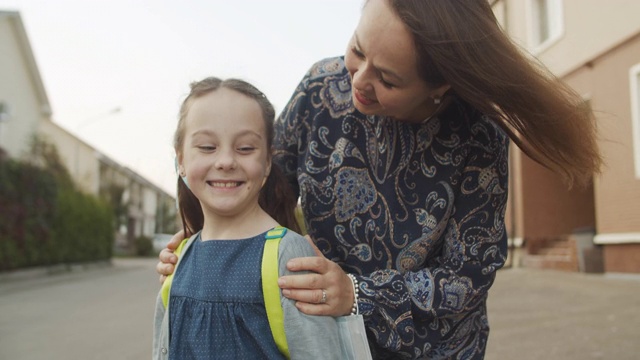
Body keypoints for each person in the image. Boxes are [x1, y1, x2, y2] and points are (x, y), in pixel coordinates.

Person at [158, 1, 602, 359]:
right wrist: (208, 245)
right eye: (357, 49)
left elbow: (467, 277)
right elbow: (264, 177)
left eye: (386, 78)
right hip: (319, 329)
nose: (358, 79)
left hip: (425, 348)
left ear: (440, 88)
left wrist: (357, 293)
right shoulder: (320, 88)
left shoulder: (477, 136)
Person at [152, 77, 344, 359]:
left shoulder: (288, 255)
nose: (226, 161)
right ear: (181, 160)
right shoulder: (178, 259)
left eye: (245, 148)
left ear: (267, 163)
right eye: (207, 147)